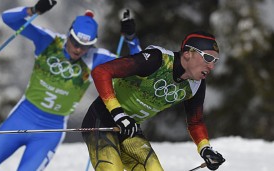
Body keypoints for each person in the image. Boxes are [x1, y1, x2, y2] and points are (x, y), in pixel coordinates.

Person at [0, 0, 141, 170]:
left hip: (49, 132)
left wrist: (131, 39)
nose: (78, 50)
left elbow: (139, 66)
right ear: (69, 34)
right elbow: (8, 19)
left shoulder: (96, 58)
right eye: (75, 43)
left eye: (85, 46)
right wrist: (34, 10)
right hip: (21, 118)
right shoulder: (48, 42)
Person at [81, 31, 226, 171]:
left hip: (130, 129)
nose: (211, 66)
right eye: (208, 58)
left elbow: (195, 122)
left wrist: (205, 148)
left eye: (215, 61)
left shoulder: (196, 85)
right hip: (102, 120)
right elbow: (101, 71)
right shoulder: (157, 59)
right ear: (188, 53)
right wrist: (118, 113)